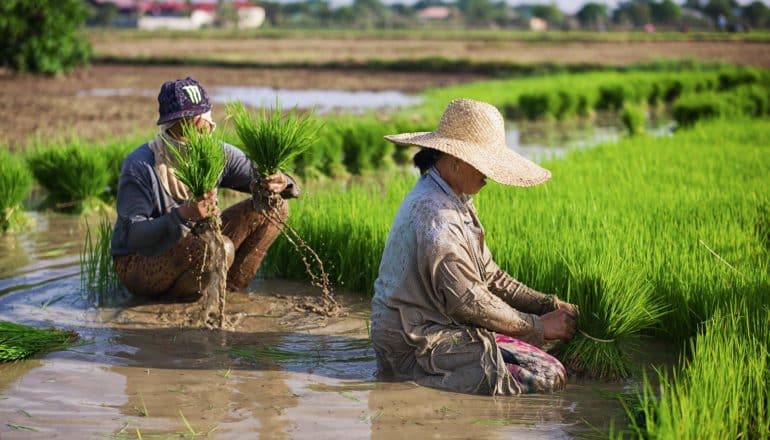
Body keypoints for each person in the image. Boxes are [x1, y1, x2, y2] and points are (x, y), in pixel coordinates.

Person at [371, 98, 579, 396]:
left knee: (538, 347)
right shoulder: (436, 216)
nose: (490, 174)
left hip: (436, 326)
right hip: (415, 339)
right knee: (548, 373)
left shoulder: (455, 199)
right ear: (455, 160)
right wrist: (538, 327)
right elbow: (468, 301)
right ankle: (412, 382)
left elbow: (491, 276)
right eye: (484, 162)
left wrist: (546, 304)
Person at [111, 77, 299, 299]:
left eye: (204, 129)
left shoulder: (219, 154)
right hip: (142, 260)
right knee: (217, 248)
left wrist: (283, 182)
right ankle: (181, 303)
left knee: (274, 206)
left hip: (200, 245)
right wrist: (184, 215)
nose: (198, 140)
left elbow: (271, 181)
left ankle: (227, 292)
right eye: (187, 131)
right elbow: (133, 235)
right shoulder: (141, 165)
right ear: (170, 129)